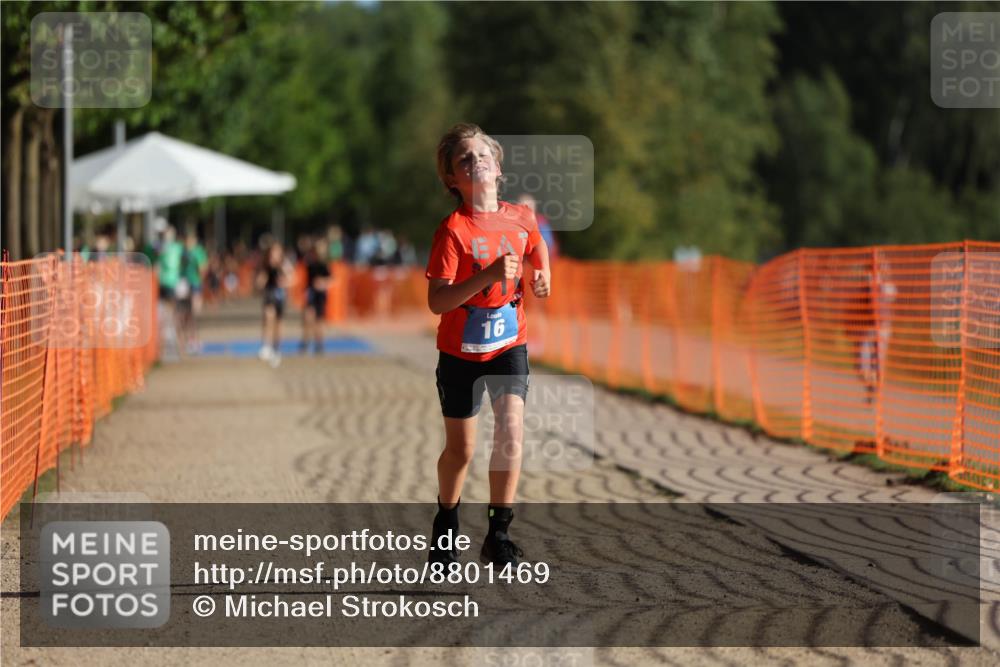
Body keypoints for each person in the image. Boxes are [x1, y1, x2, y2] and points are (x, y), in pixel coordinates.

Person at [425, 123, 551, 570]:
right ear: (452, 181)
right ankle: (446, 519)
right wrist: (487, 276)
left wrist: (543, 275)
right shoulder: (453, 231)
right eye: (464, 160)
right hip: (459, 351)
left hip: (508, 344)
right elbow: (437, 300)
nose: (475, 161)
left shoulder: (520, 216)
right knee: (460, 450)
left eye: (482, 156)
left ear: (498, 167)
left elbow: (536, 249)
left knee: (512, 430)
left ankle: (499, 534)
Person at [256, 242, 294, 368]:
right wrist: (260, 282)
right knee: (268, 317)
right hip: (269, 294)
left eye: (277, 252)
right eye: (273, 252)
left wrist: (285, 282)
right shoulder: (265, 265)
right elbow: (259, 282)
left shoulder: (284, 264)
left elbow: (293, 278)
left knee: (279, 324)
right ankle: (266, 345)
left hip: (280, 296)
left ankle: (276, 349)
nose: (275, 255)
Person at [175, 230, 208, 355]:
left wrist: (201, 280)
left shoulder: (198, 252)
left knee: (193, 313)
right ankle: (183, 340)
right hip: (183, 284)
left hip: (195, 285)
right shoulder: (181, 252)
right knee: (182, 314)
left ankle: (193, 340)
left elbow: (203, 268)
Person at [301, 238, 332, 354]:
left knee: (319, 320)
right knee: (307, 318)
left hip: (320, 294)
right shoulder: (310, 263)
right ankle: (305, 342)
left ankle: (319, 344)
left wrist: (323, 283)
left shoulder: (324, 265)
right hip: (311, 293)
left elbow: (330, 279)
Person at [516, 193, 559, 259]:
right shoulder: (514, 223)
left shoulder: (541, 223)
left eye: (527, 207)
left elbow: (547, 243)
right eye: (520, 207)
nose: (523, 211)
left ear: (534, 208)